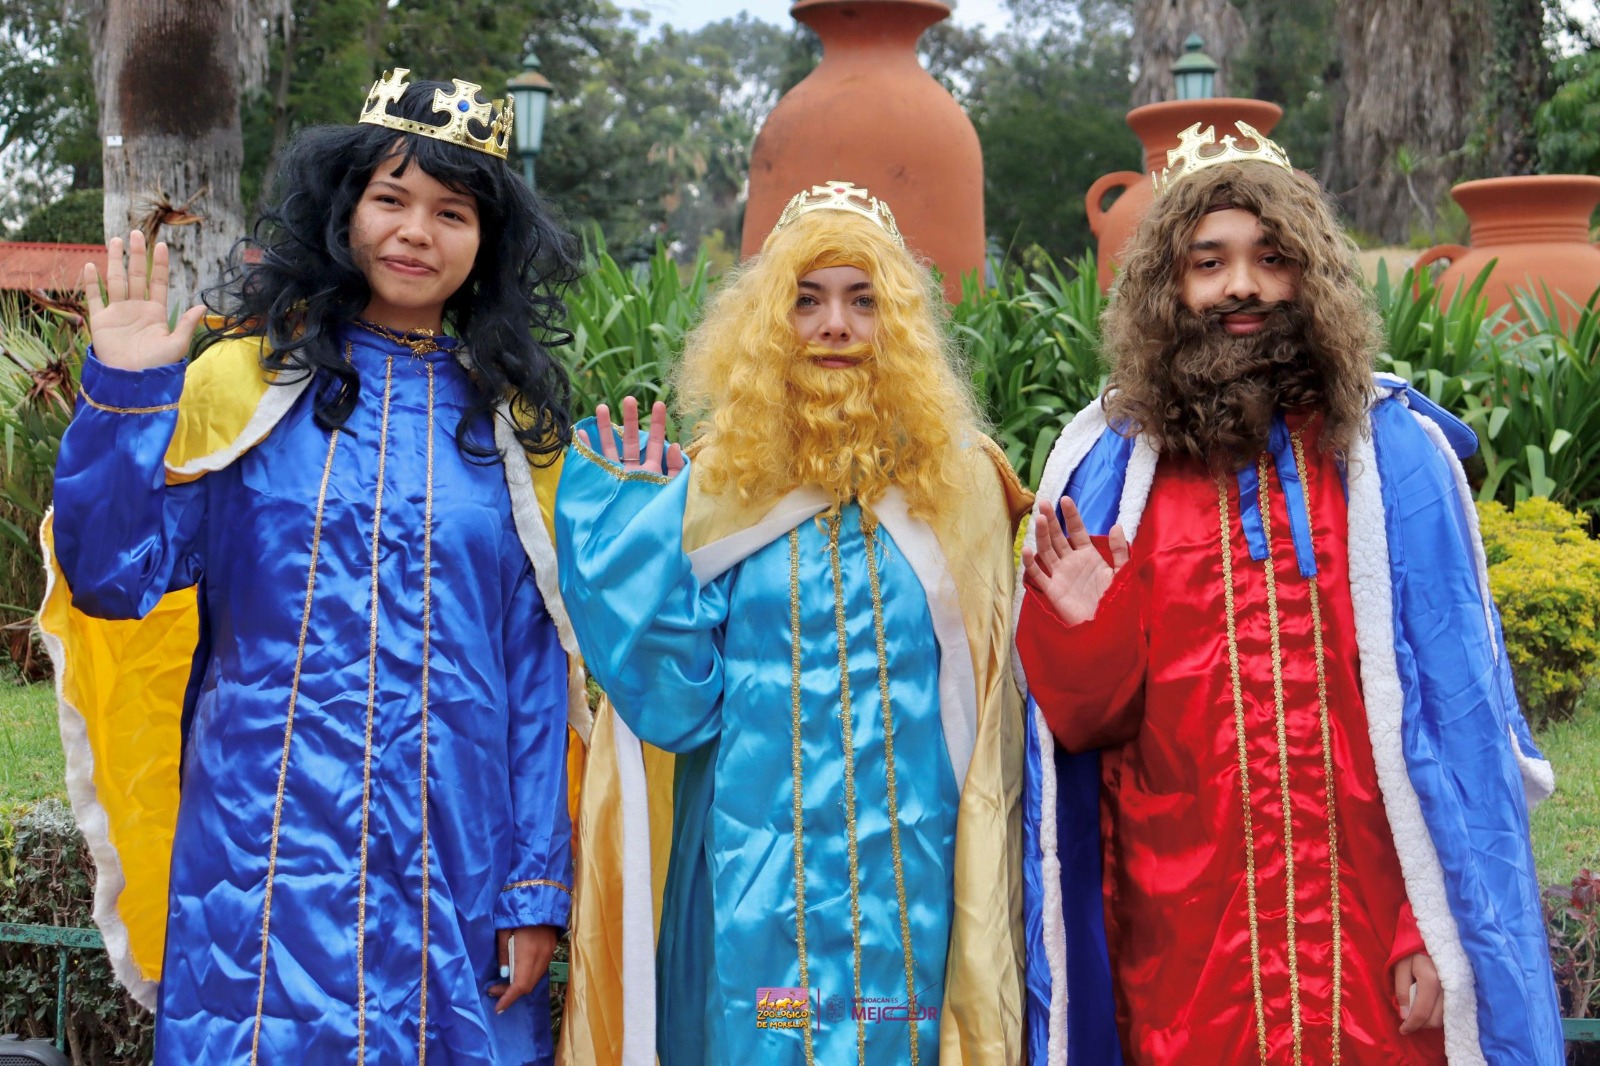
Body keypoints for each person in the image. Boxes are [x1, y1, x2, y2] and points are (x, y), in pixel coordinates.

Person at [40, 69, 588, 1064]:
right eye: (390, 198)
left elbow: (535, 676)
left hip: (453, 869)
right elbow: (115, 577)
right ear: (344, 212)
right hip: (257, 859)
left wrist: (534, 890)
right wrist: (124, 393)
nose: (416, 230)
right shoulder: (243, 387)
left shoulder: (510, 434)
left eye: (451, 210)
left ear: (487, 242)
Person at [1012, 122, 1564, 1065]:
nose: (1242, 287)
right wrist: (1079, 626)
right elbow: (1084, 728)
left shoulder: (1394, 461)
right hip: (1185, 940)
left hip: (1372, 936)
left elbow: (1453, 729)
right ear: (1166, 287)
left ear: (1313, 274)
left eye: (1273, 258)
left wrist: (1430, 922)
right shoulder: (1113, 471)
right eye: (1208, 262)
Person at [553, 182, 1033, 1065]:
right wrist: (623, 526)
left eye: (863, 300)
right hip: (753, 884)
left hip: (916, 882)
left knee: (898, 1038)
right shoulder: (719, 482)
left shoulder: (965, 490)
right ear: (770, 323)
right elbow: (673, 704)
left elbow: (999, 707)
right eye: (806, 301)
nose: (835, 327)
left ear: (900, 325)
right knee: (774, 1033)